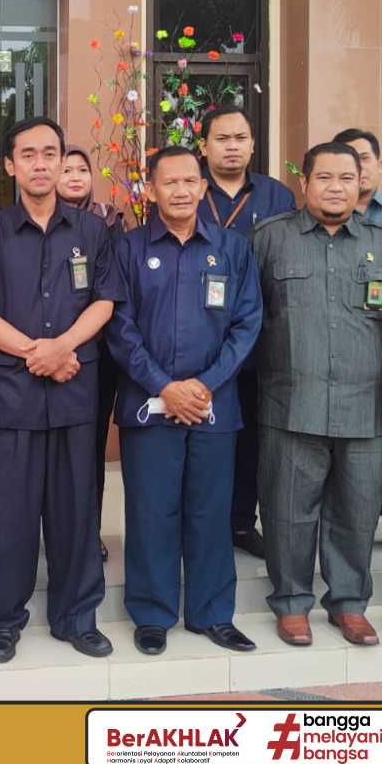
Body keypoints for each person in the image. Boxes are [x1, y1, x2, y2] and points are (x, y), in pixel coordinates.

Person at [0, 117, 123, 665]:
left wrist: (63, 346)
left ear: (61, 161)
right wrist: (38, 352)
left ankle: (76, 617)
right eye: (28, 154)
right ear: (11, 165)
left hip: (75, 393)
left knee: (77, 512)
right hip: (13, 396)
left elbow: (105, 301)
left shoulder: (93, 232)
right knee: (9, 518)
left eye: (50, 153)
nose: (40, 163)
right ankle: (2, 621)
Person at [108, 146, 262, 655]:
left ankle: (212, 613)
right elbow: (119, 327)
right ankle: (152, 614)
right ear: (151, 190)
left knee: (210, 512)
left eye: (189, 181)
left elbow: (247, 323)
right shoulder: (128, 249)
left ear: (202, 188)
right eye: (169, 182)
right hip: (148, 405)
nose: (180, 191)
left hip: (214, 406)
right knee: (151, 512)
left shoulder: (233, 248)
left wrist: (205, 385)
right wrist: (164, 386)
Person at [253, 142, 382, 647]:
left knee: (357, 513)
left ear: (360, 182)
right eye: (324, 178)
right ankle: (292, 603)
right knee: (288, 513)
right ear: (304, 183)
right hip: (290, 405)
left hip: (366, 408)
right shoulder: (270, 239)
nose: (335, 188)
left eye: (346, 178)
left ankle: (348, 604)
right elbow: (245, 317)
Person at [197, 106, 296, 560]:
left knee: (252, 435)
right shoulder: (189, 189)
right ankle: (203, 524)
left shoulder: (277, 196)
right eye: (222, 138)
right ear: (204, 146)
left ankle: (240, 522)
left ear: (253, 144)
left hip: (260, 338)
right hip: (199, 336)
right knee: (204, 436)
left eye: (240, 138)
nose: (232, 146)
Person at [333, 128, 382, 545]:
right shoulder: (325, 216)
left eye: (363, 158)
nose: (357, 167)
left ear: (379, 163)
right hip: (347, 359)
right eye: (348, 159)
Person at [58, 146, 124, 563]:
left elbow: (114, 286)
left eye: (81, 169)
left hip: (97, 354)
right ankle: (54, 532)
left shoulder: (112, 222)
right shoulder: (35, 221)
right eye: (66, 169)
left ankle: (89, 532)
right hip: (47, 354)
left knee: (89, 449)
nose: (74, 176)